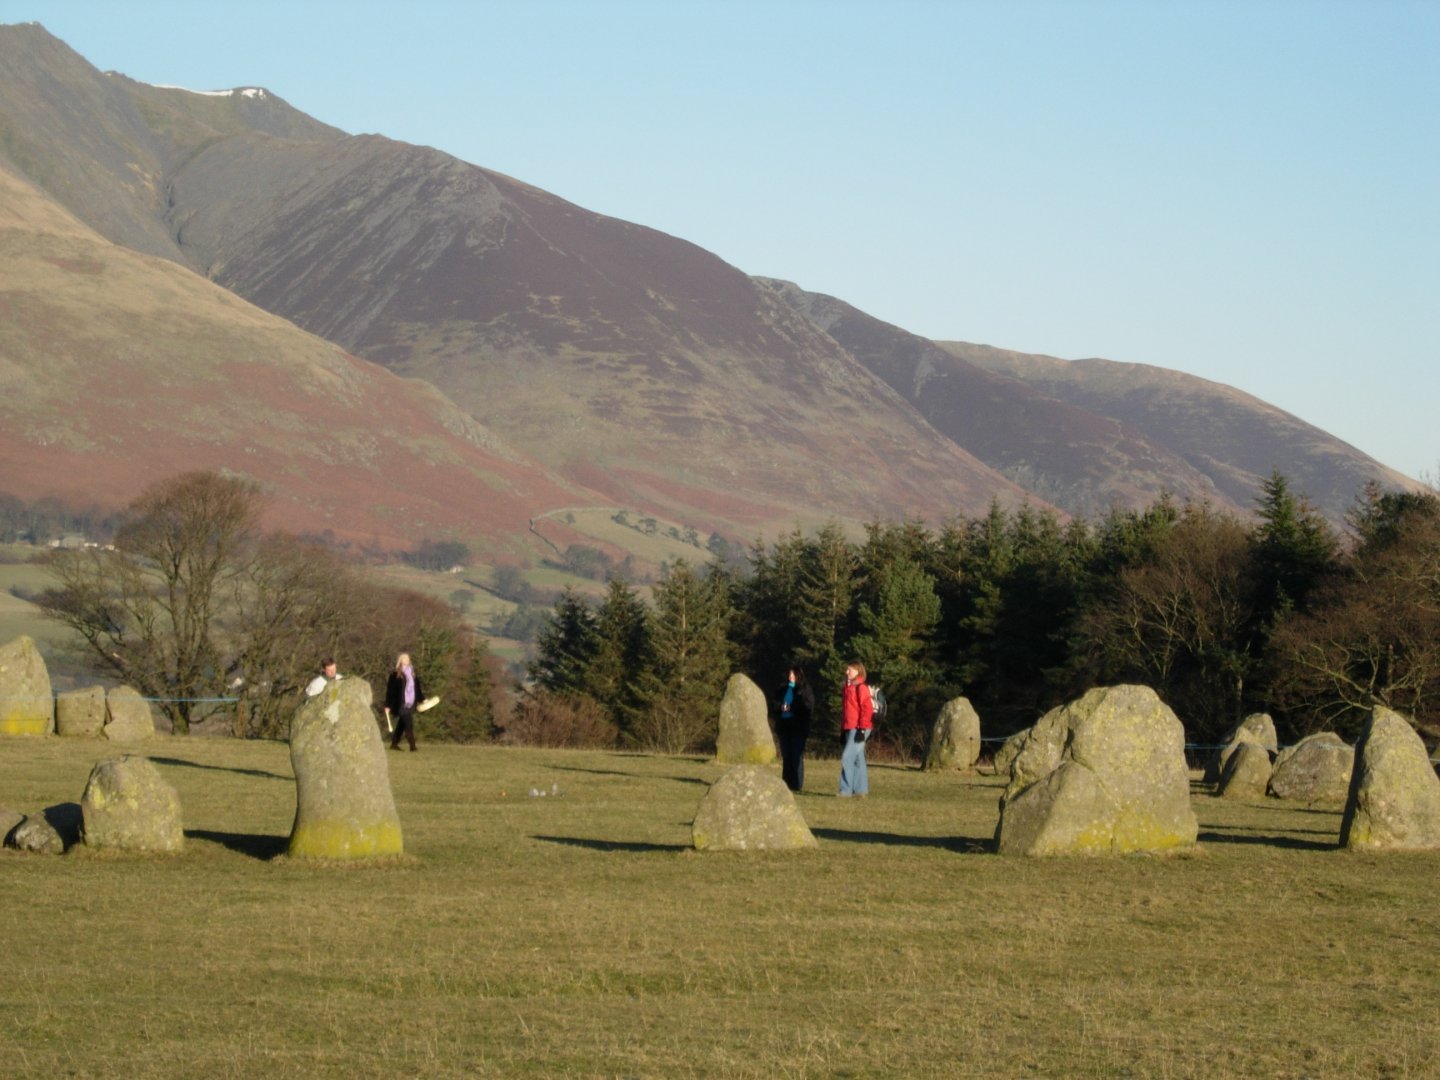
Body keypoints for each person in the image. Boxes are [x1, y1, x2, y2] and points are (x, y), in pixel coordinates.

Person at [838, 660, 874, 797]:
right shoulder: (847, 688)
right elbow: (846, 711)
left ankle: (845, 791)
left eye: (850, 670)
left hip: (859, 727)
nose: (847, 672)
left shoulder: (861, 688)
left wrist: (862, 729)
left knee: (847, 757)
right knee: (859, 759)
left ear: (858, 671)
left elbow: (867, 708)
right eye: (847, 670)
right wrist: (843, 729)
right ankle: (860, 791)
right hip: (850, 727)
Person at [776, 666, 814, 792]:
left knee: (796, 756)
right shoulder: (782, 688)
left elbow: (808, 707)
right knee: (786, 756)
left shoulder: (804, 689)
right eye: (789, 674)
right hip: (784, 727)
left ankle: (797, 784)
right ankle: (786, 784)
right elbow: (774, 703)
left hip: (798, 728)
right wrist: (780, 707)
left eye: (793, 674)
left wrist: (792, 708)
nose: (790, 677)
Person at [384, 652, 425, 751]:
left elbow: (417, 690)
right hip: (400, 704)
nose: (407, 659)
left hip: (410, 704)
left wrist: (423, 699)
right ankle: (413, 746)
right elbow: (390, 691)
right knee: (408, 723)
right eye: (404, 658)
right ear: (400, 660)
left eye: (408, 658)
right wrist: (387, 705)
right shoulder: (395, 675)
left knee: (402, 724)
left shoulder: (413, 675)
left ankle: (394, 744)